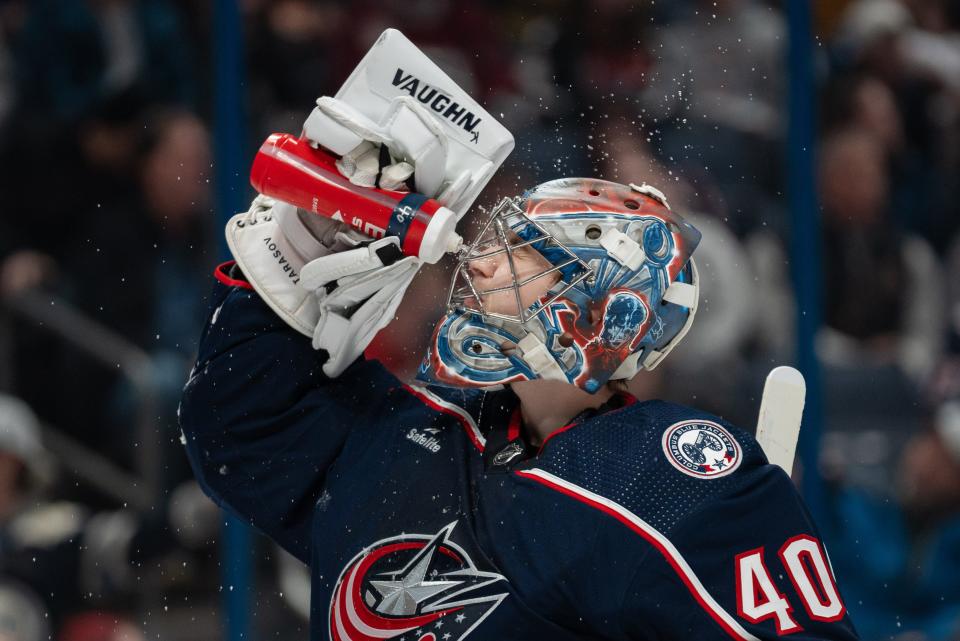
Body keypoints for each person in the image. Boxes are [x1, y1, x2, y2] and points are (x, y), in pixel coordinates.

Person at [180, 136, 861, 639]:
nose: (480, 261)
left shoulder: (672, 476)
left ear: (604, 314)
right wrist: (286, 266)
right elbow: (239, 433)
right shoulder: (417, 426)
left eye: (525, 253)